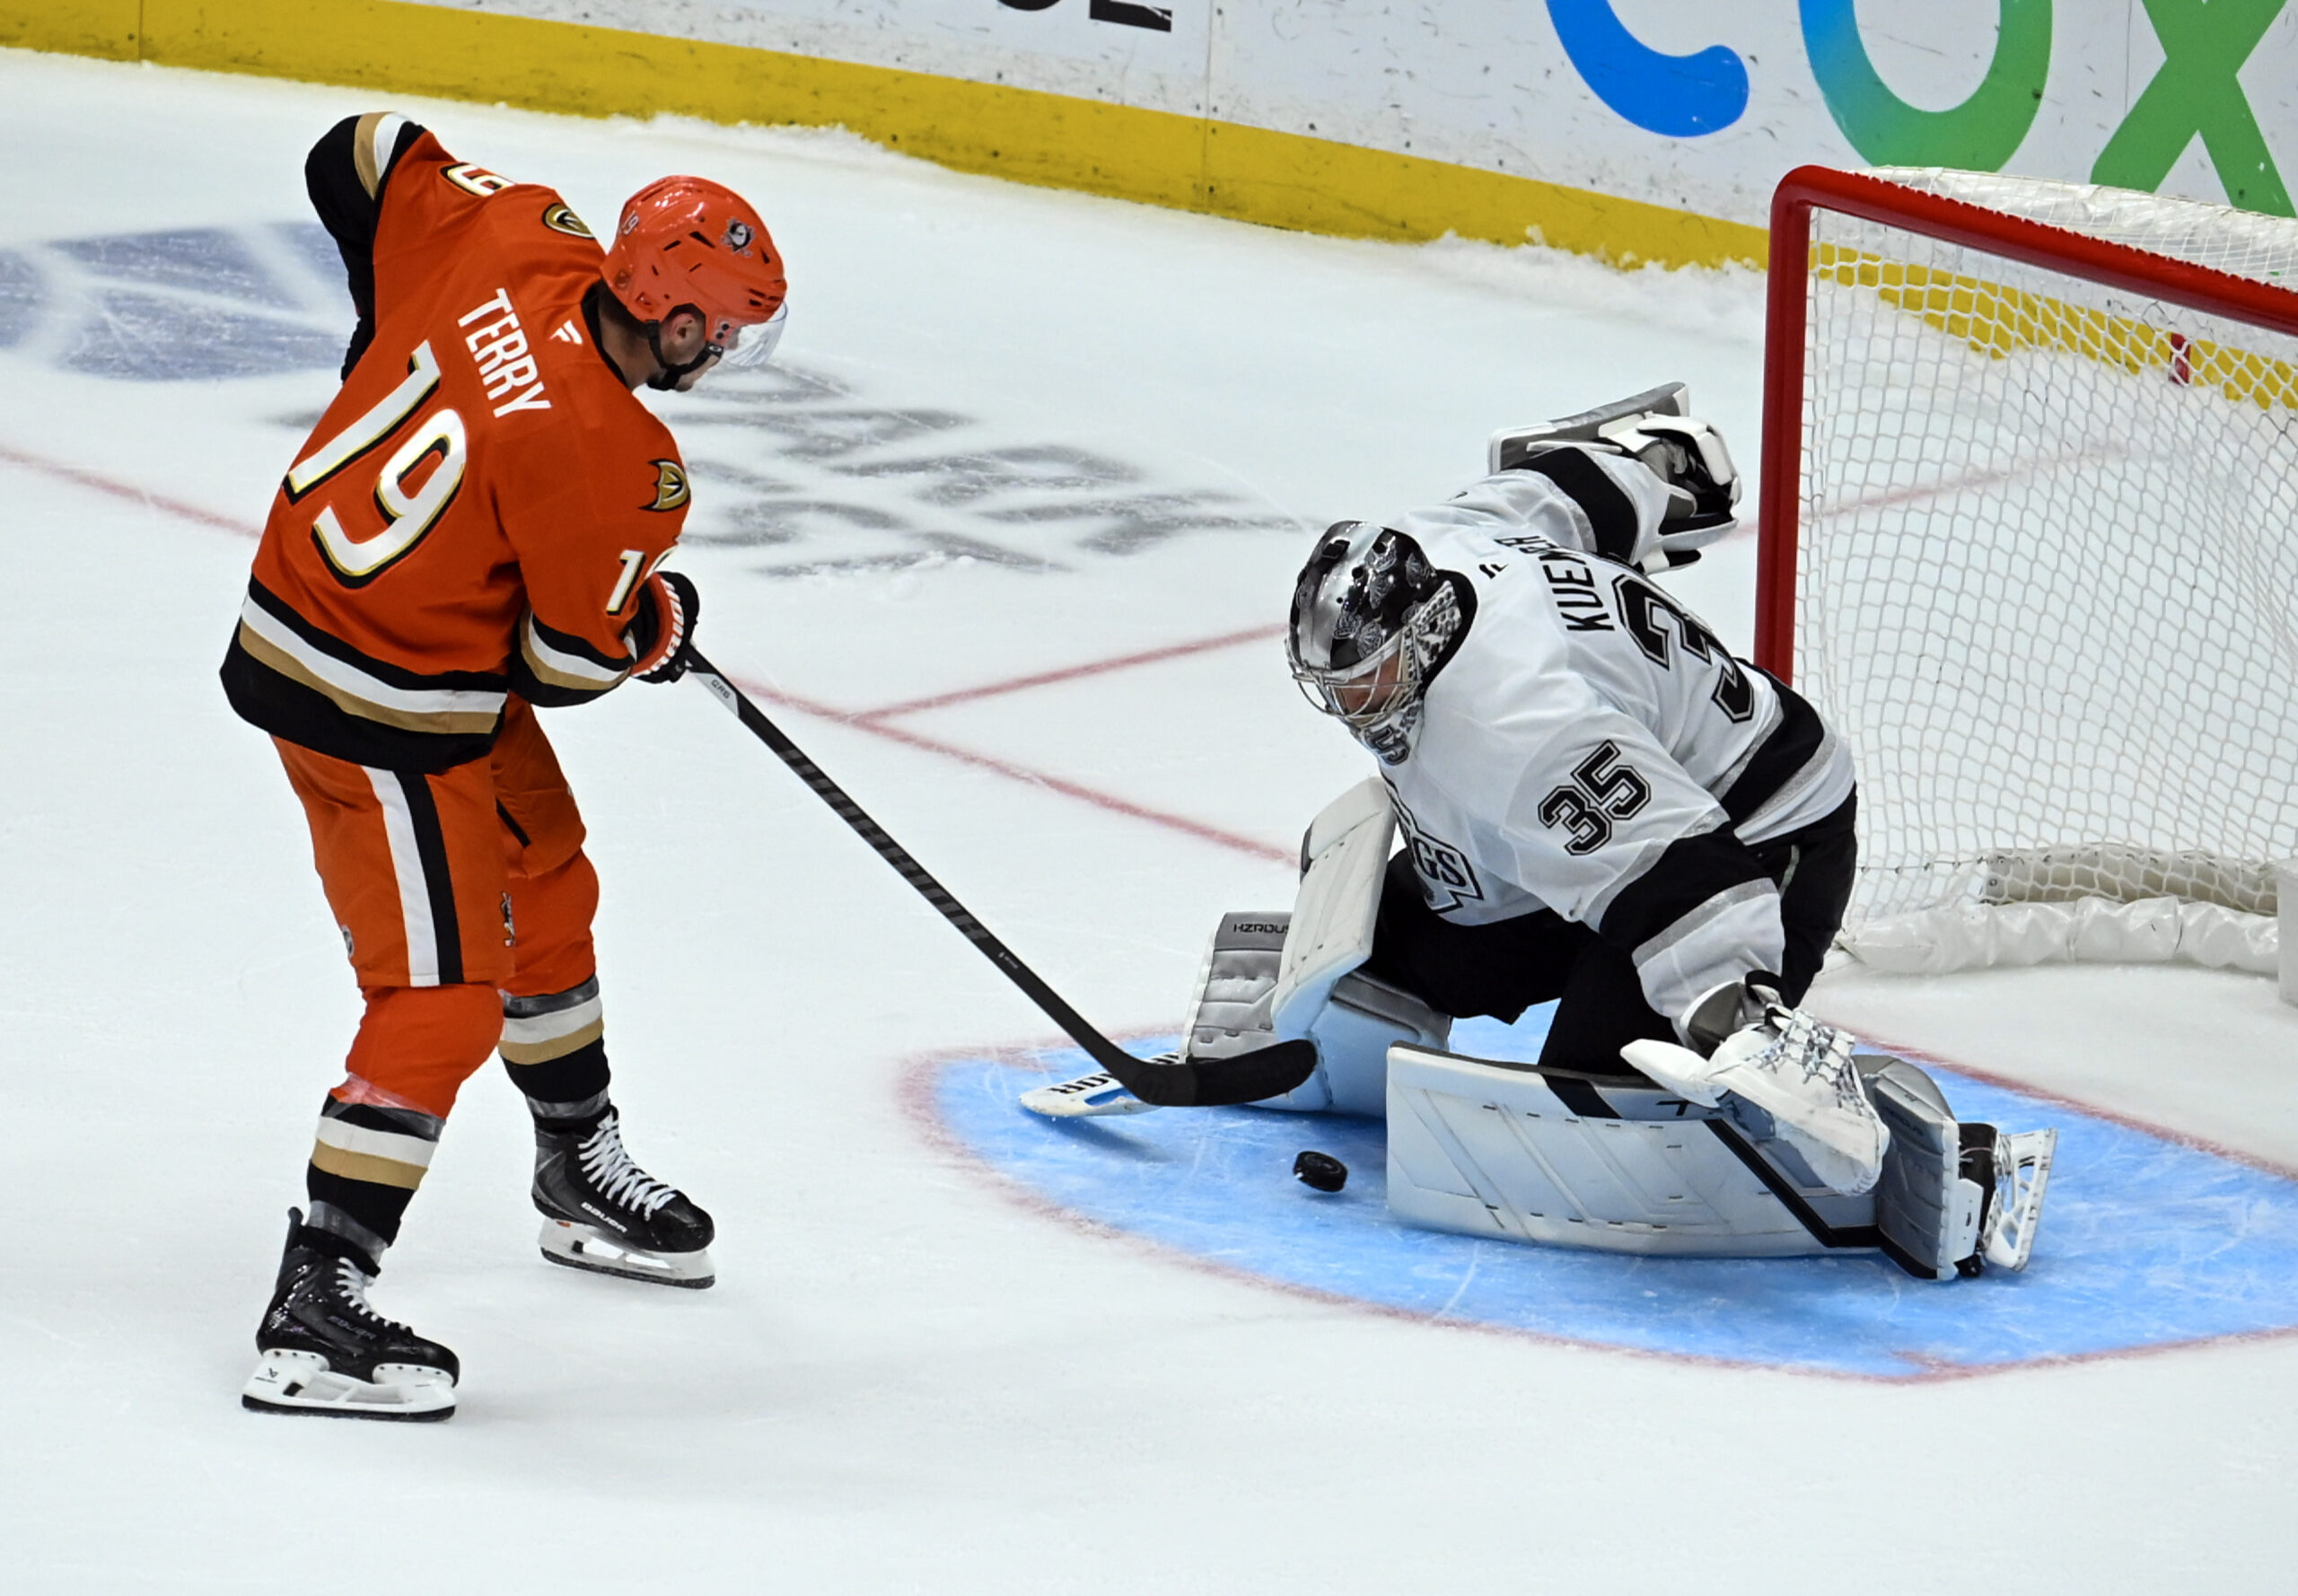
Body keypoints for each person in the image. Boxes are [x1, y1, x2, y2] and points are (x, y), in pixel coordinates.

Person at [1030, 388, 2054, 1276]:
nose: (1354, 706)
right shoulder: (1445, 544)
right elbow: (1572, 491)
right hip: (1619, 822)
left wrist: (1739, 1022)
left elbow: (1689, 883)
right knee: (1377, 968)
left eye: (1370, 679)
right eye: (1335, 684)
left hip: (1761, 837)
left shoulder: (1517, 733)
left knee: (1598, 1102)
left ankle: (1938, 1167)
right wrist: (1660, 468)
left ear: (1424, 633)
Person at [220, 112, 788, 1420]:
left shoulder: (516, 228)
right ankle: (319, 1293)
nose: (734, 350)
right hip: (367, 697)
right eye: (733, 327)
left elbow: (354, 149)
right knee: (441, 1001)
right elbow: (566, 666)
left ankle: (574, 1158)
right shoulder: (620, 466)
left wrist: (382, 341)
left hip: (407, 642)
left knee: (551, 882)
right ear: (683, 323)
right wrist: (656, 623)